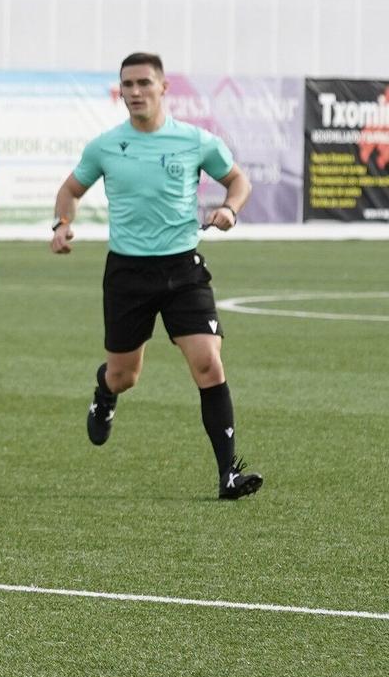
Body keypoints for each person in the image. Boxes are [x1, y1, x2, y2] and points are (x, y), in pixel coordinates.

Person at [51, 52, 261, 500]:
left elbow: (238, 180)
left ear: (164, 88)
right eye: (127, 85)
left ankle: (228, 475)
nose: (134, 92)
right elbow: (70, 190)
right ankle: (105, 393)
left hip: (183, 268)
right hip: (127, 273)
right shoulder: (106, 146)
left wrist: (229, 208)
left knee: (208, 363)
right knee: (125, 375)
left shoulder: (195, 140)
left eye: (144, 83)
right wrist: (62, 225)